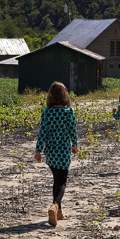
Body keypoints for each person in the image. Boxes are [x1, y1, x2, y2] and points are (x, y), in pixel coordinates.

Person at [34, 81, 78, 227]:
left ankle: (58, 211)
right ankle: (55, 205)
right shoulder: (68, 112)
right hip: (63, 151)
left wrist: (38, 150)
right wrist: (75, 145)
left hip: (51, 152)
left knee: (56, 181)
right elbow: (73, 130)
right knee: (62, 182)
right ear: (65, 96)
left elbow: (42, 133)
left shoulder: (47, 112)